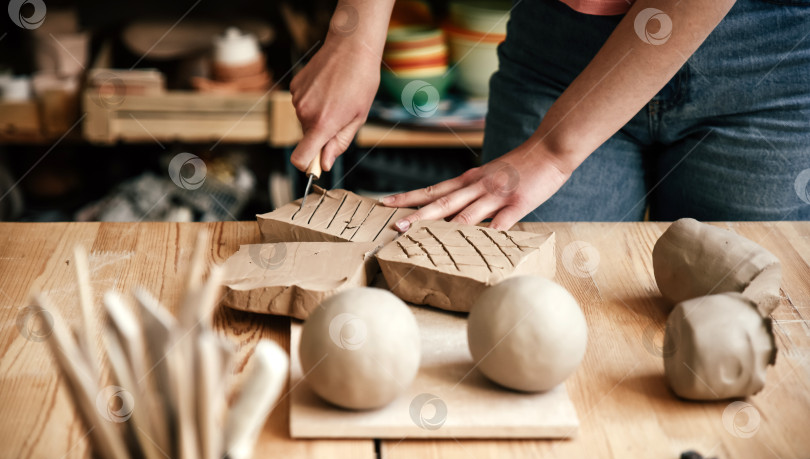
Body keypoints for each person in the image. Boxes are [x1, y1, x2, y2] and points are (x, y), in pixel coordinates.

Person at [289, 0, 810, 231]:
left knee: (750, 319)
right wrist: (354, 32)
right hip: (559, 42)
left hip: (765, 62)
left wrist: (554, 150)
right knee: (520, 302)